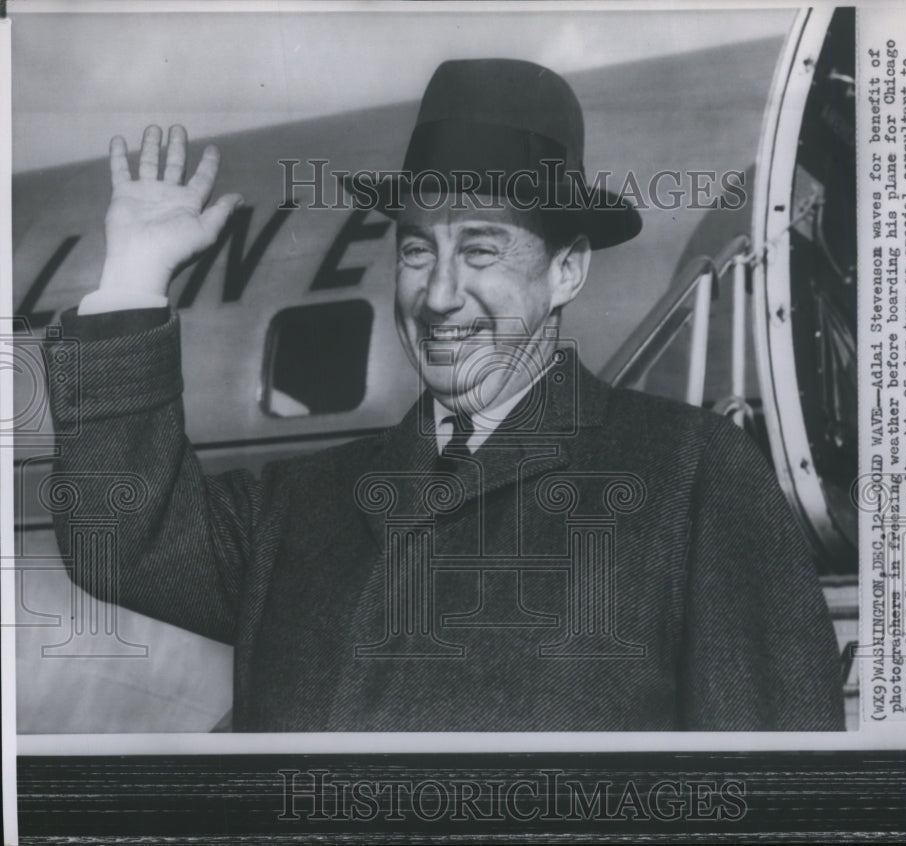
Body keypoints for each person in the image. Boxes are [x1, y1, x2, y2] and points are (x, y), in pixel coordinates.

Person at [44, 59, 844, 731]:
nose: (440, 295)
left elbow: (769, 783)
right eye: (418, 251)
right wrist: (133, 283)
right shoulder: (301, 507)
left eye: (483, 249)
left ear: (566, 269)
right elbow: (121, 538)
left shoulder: (693, 479)